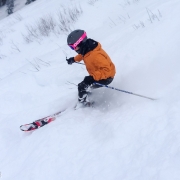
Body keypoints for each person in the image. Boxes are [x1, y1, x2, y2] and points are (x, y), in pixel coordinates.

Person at [66, 29, 116, 105]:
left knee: (82, 86)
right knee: (86, 86)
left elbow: (107, 71)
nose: (73, 49)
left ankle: (83, 103)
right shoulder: (87, 49)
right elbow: (82, 55)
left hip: (106, 78)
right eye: (71, 47)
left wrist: (92, 78)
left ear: (80, 43)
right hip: (98, 75)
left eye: (73, 47)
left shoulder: (95, 55)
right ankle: (88, 97)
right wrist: (73, 59)